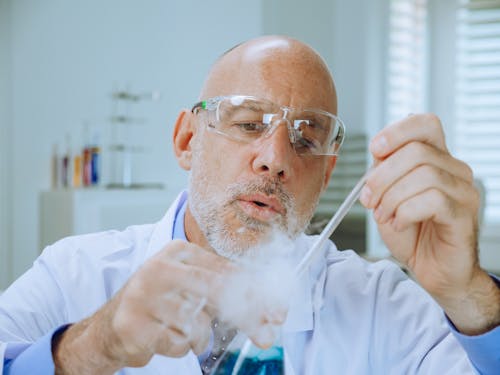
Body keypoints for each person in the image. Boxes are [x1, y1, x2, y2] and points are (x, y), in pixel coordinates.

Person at [1, 35, 499, 375]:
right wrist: (96, 344)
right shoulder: (74, 275)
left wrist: (468, 295)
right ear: (186, 141)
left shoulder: (381, 307)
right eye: (247, 123)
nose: (275, 159)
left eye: (306, 139)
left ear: (327, 175)